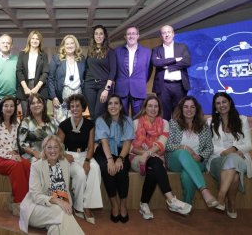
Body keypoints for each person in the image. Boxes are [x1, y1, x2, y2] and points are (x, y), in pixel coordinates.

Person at [130, 96, 192, 220]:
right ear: (145, 107)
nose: (153, 109)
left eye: (156, 106)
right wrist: (146, 154)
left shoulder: (164, 123)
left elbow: (161, 144)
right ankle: (171, 200)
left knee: (154, 166)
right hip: (137, 158)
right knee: (155, 162)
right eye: (150, 106)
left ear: (159, 108)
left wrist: (147, 154)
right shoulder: (136, 123)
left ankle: (144, 204)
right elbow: (131, 148)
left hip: (154, 158)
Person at [19, 135, 85, 234]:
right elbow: (35, 196)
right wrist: (58, 201)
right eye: (49, 147)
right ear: (44, 149)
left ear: (60, 149)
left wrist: (65, 203)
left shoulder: (64, 163)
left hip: (55, 210)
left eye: (56, 147)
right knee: (62, 212)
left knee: (56, 228)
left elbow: (65, 189)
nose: (52, 150)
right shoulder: (36, 166)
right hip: (36, 209)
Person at [207, 92, 252, 219]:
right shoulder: (210, 122)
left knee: (233, 159)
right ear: (215, 107)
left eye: (224, 102)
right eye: (218, 103)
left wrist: (234, 148)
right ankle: (231, 203)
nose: (221, 105)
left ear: (229, 103)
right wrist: (224, 152)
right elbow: (209, 145)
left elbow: (249, 144)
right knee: (233, 173)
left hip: (239, 157)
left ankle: (221, 197)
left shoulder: (242, 119)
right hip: (217, 159)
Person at [57, 94, 103, 224]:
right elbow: (57, 145)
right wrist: (64, 155)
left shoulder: (90, 124)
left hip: (85, 155)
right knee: (80, 174)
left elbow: (90, 146)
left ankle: (87, 206)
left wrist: (88, 161)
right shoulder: (64, 124)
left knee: (95, 169)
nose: (75, 109)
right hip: (68, 156)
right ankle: (78, 207)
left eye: (78, 106)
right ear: (69, 108)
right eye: (72, 106)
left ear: (83, 107)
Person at [165, 96, 218, 206]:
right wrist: (183, 147)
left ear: (196, 109)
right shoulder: (173, 123)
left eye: (192, 107)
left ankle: (187, 205)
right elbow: (168, 146)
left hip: (197, 161)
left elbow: (209, 147)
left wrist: (201, 157)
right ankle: (204, 190)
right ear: (181, 109)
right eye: (186, 107)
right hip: (175, 160)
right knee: (184, 153)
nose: (189, 110)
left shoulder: (204, 126)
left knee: (187, 175)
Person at [94, 94, 134, 223]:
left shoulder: (128, 120)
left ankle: (123, 204)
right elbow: (104, 141)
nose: (113, 106)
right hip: (104, 152)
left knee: (122, 171)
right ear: (107, 107)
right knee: (107, 169)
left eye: (116, 103)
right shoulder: (101, 120)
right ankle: (114, 204)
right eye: (110, 103)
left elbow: (127, 143)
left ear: (121, 106)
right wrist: (110, 160)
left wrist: (120, 158)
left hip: (122, 152)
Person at [0, 96, 31, 205]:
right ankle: (20, 202)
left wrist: (15, 153)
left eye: (12, 106)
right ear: (1, 108)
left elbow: (17, 143)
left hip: (12, 155)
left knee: (27, 165)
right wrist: (11, 156)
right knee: (16, 166)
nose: (9, 108)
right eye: (6, 105)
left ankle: (33, 197)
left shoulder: (17, 122)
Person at [152, 25, 191, 120]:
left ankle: (178, 135)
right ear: (161, 36)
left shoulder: (182, 47)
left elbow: (187, 62)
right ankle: (165, 134)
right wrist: (175, 59)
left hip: (179, 86)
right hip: (163, 86)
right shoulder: (156, 49)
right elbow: (156, 62)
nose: (166, 35)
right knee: (164, 115)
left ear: (173, 34)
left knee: (179, 115)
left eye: (169, 32)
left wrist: (167, 66)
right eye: (164, 33)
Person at [114, 25, 152, 117]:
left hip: (139, 89)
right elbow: (114, 71)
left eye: (134, 33)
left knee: (138, 118)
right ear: (125, 37)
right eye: (129, 34)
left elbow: (148, 71)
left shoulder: (147, 52)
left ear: (138, 36)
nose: (131, 36)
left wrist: (140, 81)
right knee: (122, 118)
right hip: (121, 89)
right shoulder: (116, 51)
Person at [48, 34, 85, 123]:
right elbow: (50, 78)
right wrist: (54, 97)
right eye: (67, 44)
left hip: (78, 93)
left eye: (72, 43)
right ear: (63, 46)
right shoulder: (56, 58)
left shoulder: (81, 59)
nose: (70, 45)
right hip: (62, 95)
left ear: (76, 45)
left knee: (76, 121)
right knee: (61, 123)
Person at [84, 25, 116, 120]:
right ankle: (94, 134)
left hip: (104, 85)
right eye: (96, 34)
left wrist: (107, 89)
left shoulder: (110, 52)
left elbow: (113, 71)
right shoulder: (90, 51)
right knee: (93, 114)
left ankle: (101, 134)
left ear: (104, 36)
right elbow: (87, 68)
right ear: (93, 36)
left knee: (99, 113)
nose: (98, 36)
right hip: (89, 86)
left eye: (101, 34)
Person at [16, 30, 49, 116]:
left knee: (41, 116)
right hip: (25, 87)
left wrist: (37, 88)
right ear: (29, 40)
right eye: (33, 38)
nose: (35, 40)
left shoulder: (44, 55)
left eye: (37, 39)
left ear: (40, 41)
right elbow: (19, 71)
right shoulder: (22, 54)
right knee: (26, 116)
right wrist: (25, 88)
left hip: (40, 87)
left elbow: (45, 72)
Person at [18, 94, 58, 162]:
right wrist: (34, 152)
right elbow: (21, 143)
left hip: (51, 153)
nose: (36, 105)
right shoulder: (26, 122)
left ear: (43, 105)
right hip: (33, 155)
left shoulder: (51, 120)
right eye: (33, 103)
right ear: (29, 107)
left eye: (39, 102)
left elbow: (57, 138)